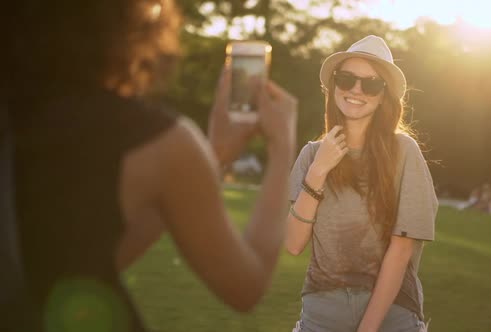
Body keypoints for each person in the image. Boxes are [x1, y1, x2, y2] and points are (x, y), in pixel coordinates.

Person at [2, 0, 297, 331]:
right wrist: (282, 147)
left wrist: (214, 155)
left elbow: (86, 255)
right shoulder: (151, 139)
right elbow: (246, 286)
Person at [286, 35, 438, 332]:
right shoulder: (311, 155)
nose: (356, 90)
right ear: (334, 87)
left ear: (384, 96)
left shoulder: (405, 152)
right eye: (346, 79)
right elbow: (293, 244)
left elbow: (402, 249)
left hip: (391, 316)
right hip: (321, 316)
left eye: (371, 84)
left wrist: (367, 328)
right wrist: (318, 170)